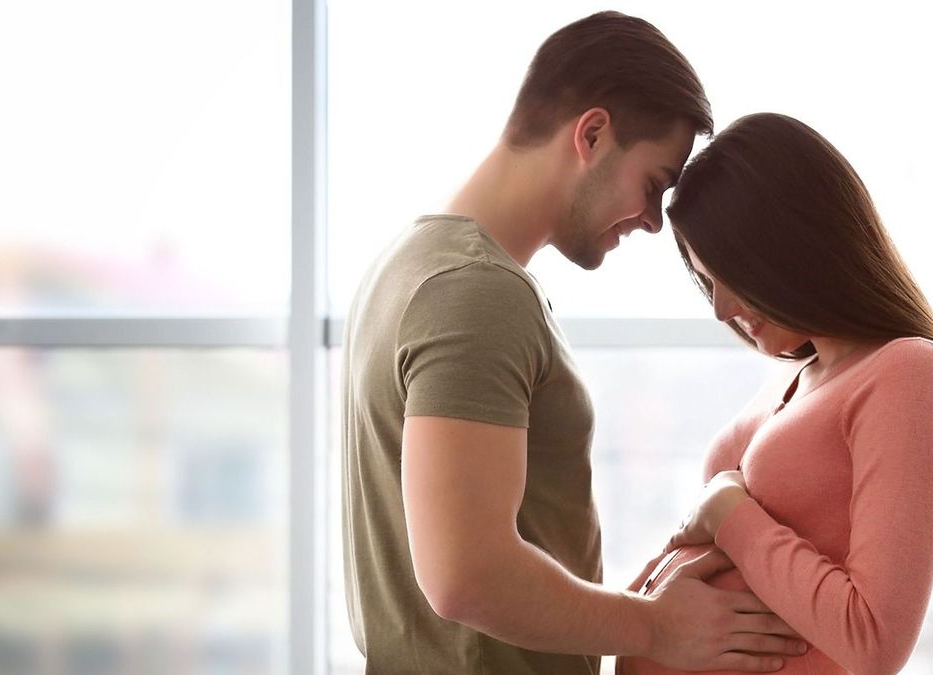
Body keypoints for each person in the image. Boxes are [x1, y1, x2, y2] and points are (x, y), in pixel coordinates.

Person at [340, 13, 808, 675]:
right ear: (592, 134)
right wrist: (657, 628)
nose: (651, 222)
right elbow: (465, 575)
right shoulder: (475, 293)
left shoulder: (411, 264)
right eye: (654, 184)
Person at [618, 113, 933, 675]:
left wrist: (729, 513)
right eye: (707, 282)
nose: (721, 308)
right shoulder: (797, 380)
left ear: (795, 243)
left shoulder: (911, 374)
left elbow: (873, 642)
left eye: (732, 275)